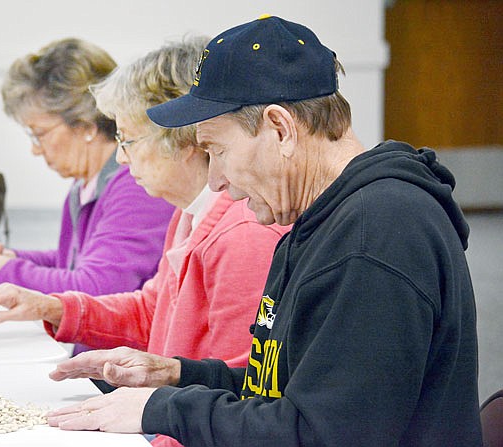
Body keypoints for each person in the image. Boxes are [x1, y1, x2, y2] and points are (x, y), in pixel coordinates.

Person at [42, 15, 483, 446]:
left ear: (280, 128)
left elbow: (325, 433)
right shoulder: (320, 219)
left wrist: (162, 408)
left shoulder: (376, 235)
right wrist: (176, 374)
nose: (215, 181)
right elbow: (284, 388)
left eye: (217, 150)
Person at [0, 35, 290, 446]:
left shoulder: (243, 233)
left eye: (128, 141)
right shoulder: (190, 212)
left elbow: (235, 400)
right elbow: (151, 310)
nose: (120, 158)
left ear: (186, 137)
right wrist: (55, 306)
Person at [0, 38, 173, 304]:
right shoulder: (86, 184)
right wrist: (13, 259)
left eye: (39, 134)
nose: (35, 150)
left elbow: (97, 286)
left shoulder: (135, 186)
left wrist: (1, 271)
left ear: (86, 126)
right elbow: (73, 262)